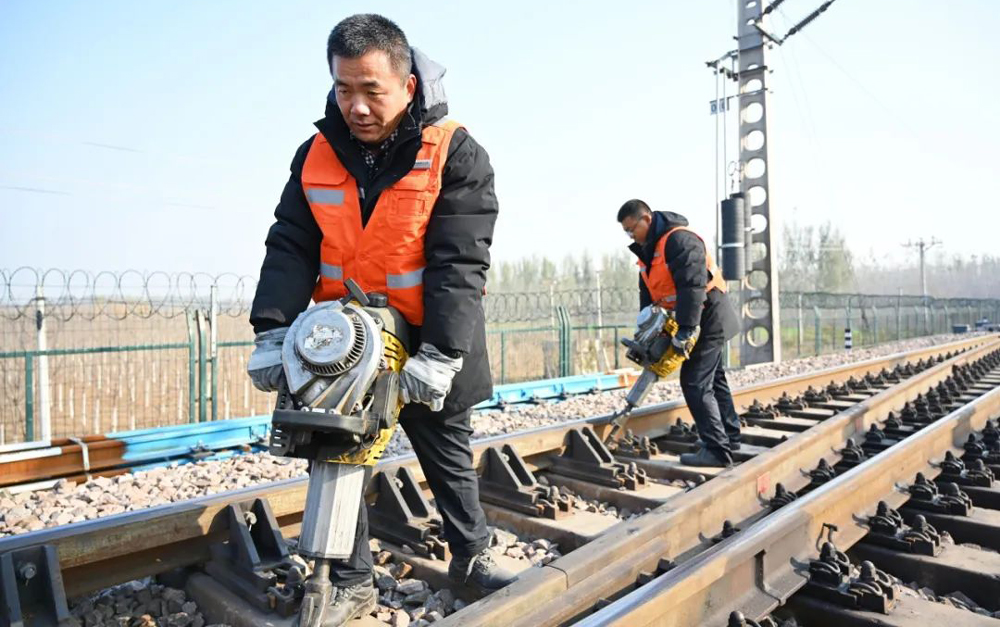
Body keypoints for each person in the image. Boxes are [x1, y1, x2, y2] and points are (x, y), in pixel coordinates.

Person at [247, 14, 515, 623]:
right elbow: (290, 241)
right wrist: (272, 328)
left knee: (445, 445)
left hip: (428, 336)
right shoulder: (315, 152)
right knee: (336, 449)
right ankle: (351, 578)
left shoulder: (455, 152)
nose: (357, 106)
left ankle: (471, 555)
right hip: (345, 336)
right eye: (345, 89)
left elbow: (459, 261)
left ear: (408, 86)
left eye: (372, 90)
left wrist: (442, 353)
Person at [618, 199, 742, 467]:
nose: (630, 235)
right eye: (626, 232)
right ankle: (729, 437)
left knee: (695, 380)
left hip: (708, 316)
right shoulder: (646, 254)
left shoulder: (679, 241)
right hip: (692, 318)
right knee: (714, 377)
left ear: (646, 219)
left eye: (631, 229)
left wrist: (685, 331)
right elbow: (649, 297)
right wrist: (648, 333)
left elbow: (692, 287)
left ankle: (717, 451)